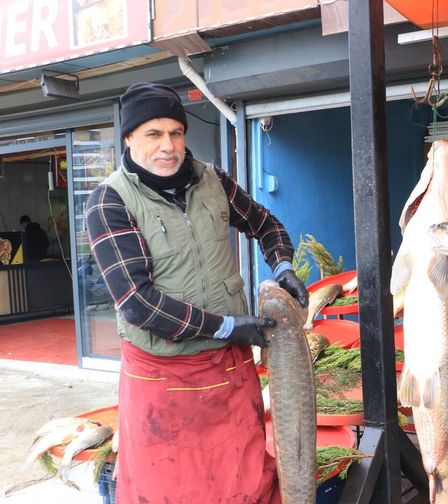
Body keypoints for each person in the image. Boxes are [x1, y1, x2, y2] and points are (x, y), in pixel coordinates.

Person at [85, 82, 309, 504]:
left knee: (248, 483)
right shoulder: (109, 201)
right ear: (129, 137)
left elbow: (268, 225)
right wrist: (226, 327)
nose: (168, 145)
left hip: (228, 369)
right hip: (161, 379)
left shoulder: (212, 181)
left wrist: (282, 266)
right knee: (170, 491)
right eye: (154, 134)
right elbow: (137, 301)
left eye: (176, 132)